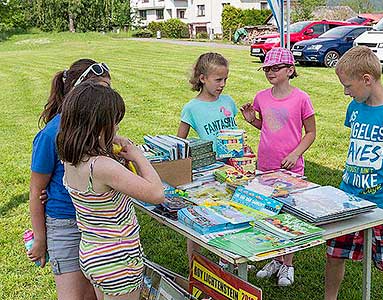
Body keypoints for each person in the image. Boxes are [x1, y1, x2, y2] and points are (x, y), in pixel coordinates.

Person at [57, 82, 165, 299]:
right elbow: (156, 193)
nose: (116, 129)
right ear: (99, 125)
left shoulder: (71, 158)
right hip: (118, 259)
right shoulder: (102, 166)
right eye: (114, 122)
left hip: (92, 254)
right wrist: (137, 155)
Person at [324, 46, 383, 300]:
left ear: (367, 79)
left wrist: (378, 181)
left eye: (348, 86)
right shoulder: (355, 108)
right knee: (335, 255)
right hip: (348, 200)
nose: (345, 92)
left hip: (381, 205)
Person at [28, 59, 112, 300]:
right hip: (66, 223)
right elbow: (36, 191)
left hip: (97, 221)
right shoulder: (51, 134)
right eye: (100, 91)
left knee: (95, 294)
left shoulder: (99, 128)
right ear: (78, 92)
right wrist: (40, 239)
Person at [240, 47, 316, 286]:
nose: (270, 72)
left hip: (291, 170)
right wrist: (253, 120)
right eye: (266, 69)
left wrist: (295, 154)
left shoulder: (301, 98)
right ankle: (274, 258)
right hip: (265, 167)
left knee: (288, 216)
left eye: (275, 68)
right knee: (267, 214)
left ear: (290, 70)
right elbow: (267, 127)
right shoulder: (261, 97)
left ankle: (288, 264)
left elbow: (311, 133)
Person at [176, 52, 239, 266]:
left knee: (231, 211)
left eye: (225, 79)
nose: (222, 84)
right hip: (207, 172)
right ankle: (196, 262)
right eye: (218, 80)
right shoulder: (192, 108)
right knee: (199, 214)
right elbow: (178, 142)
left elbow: (234, 131)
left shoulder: (229, 102)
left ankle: (227, 256)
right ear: (203, 78)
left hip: (232, 167)